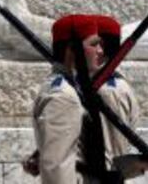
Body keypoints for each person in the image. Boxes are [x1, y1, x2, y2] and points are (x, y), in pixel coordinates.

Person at [24, 14, 148, 182]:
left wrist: (138, 164)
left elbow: (106, 160)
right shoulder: (65, 93)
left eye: (100, 44)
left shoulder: (106, 92)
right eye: (94, 44)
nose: (100, 50)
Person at [32, 14, 104, 184]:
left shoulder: (61, 87)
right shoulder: (64, 97)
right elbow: (56, 169)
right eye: (94, 44)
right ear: (72, 49)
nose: (100, 50)